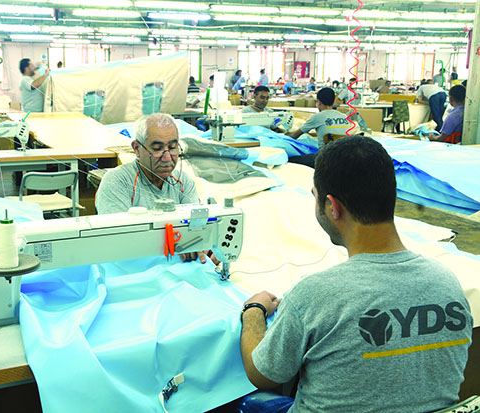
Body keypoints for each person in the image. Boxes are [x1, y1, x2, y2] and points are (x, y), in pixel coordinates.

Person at [239, 136, 472, 413]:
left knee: (253, 404)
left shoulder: (314, 294)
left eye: (315, 198)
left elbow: (263, 375)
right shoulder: (447, 283)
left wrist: (253, 311)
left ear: (332, 207)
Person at [95, 114, 215, 264]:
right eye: (157, 149)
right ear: (137, 148)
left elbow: (195, 229)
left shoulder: (183, 181)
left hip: (175, 267)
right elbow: (118, 238)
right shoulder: (117, 182)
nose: (167, 157)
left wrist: (205, 247)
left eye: (172, 147)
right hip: (132, 269)